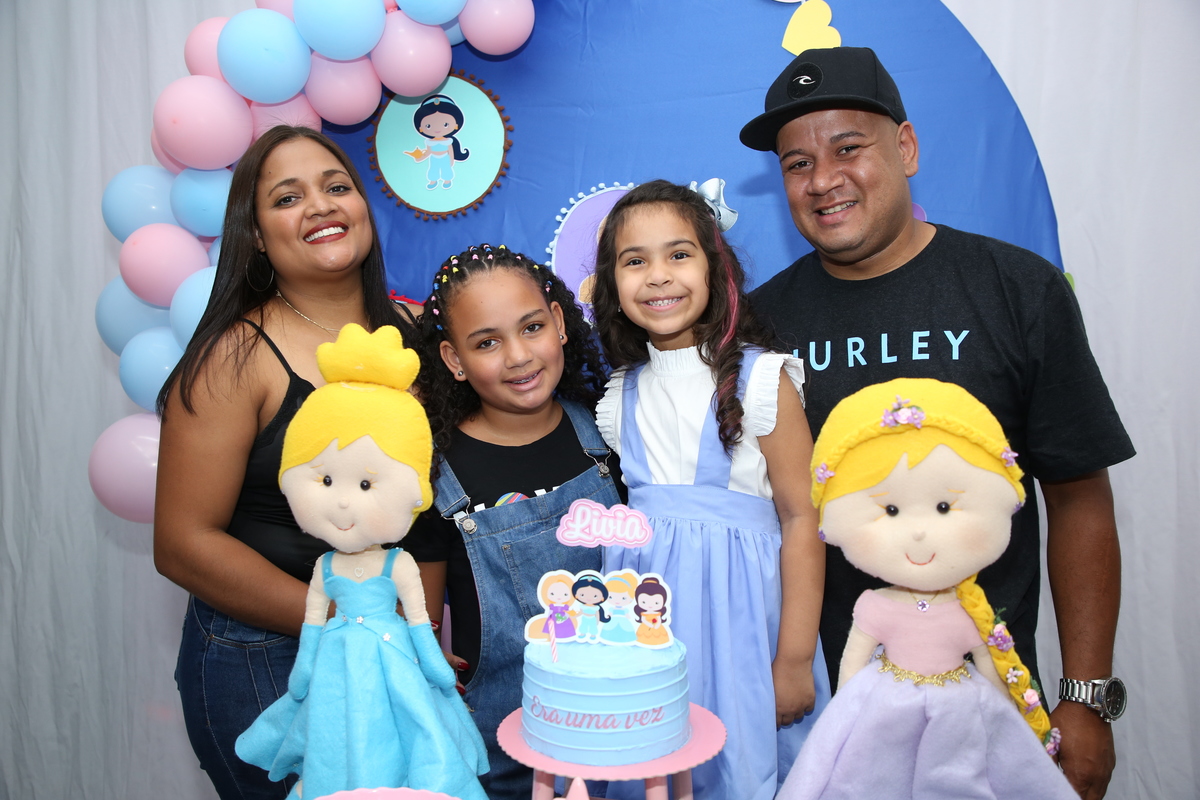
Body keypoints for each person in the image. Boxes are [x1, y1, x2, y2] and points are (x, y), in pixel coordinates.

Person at [739, 46, 1135, 799]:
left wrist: (1086, 699)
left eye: (847, 149)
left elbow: (1079, 495)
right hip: (826, 726)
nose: (822, 180)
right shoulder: (759, 327)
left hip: (992, 720)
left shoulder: (1018, 289)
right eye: (797, 163)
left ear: (907, 147)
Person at [154, 125, 418, 800]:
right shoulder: (235, 356)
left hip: (386, 649)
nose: (321, 206)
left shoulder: (412, 334)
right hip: (266, 660)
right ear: (256, 235)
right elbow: (182, 544)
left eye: (336, 187)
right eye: (287, 198)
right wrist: (347, 618)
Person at [591, 180, 831, 800]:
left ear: (714, 267)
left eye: (678, 254)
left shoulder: (763, 379)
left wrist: (793, 660)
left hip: (744, 632)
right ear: (611, 284)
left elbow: (803, 518)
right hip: (651, 640)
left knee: (740, 770)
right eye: (634, 261)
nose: (658, 276)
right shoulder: (619, 397)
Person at [777, 378, 1078, 800]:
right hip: (882, 713)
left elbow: (991, 672)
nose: (918, 532)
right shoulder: (876, 605)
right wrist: (846, 714)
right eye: (891, 509)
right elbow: (851, 672)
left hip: (959, 715)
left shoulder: (970, 611)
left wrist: (1008, 716)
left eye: (943, 507)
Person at [404, 244, 623, 800]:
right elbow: (423, 627)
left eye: (531, 327)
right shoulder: (434, 477)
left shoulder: (611, 432)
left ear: (559, 323)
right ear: (454, 359)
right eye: (487, 343)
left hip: (623, 727)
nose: (519, 356)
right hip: (504, 754)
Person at [235, 324, 487, 800]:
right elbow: (312, 623)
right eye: (326, 481)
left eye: (367, 484)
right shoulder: (325, 569)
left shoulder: (398, 565)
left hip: (394, 661)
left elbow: (420, 623)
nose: (345, 502)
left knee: (404, 741)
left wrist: (434, 668)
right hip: (336, 665)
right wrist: (303, 673)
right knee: (336, 743)